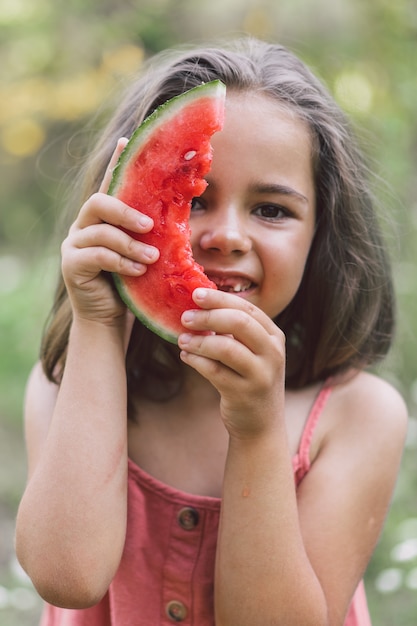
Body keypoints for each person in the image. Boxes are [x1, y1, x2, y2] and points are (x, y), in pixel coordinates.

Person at [15, 37, 407, 626]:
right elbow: (68, 577)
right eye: (193, 199)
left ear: (321, 236)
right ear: (117, 207)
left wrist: (256, 432)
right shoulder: (65, 388)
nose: (226, 235)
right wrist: (97, 323)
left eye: (272, 209)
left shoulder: (359, 416)